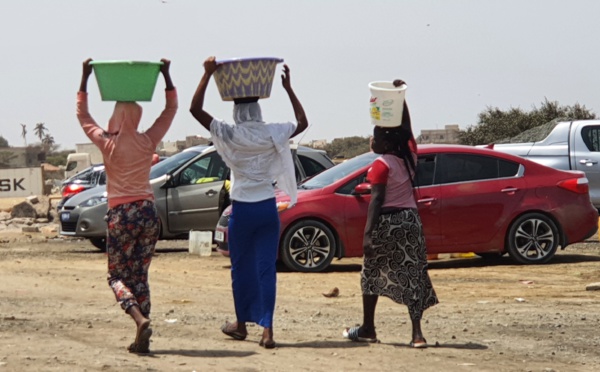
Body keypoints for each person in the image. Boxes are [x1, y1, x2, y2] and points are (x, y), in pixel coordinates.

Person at [189, 56, 308, 348]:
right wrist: (289, 89)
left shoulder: (230, 134)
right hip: (268, 209)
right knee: (267, 268)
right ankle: (267, 331)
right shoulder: (273, 133)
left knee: (240, 268)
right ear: (257, 110)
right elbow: (303, 122)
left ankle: (241, 325)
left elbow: (194, 109)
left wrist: (206, 75)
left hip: (241, 211)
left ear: (238, 113)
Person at [77, 58, 177, 353]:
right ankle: (141, 337)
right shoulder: (148, 141)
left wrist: (84, 77)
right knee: (140, 274)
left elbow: (82, 115)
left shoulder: (106, 141)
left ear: (115, 117)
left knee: (116, 275)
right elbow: (170, 110)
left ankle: (138, 317)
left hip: (121, 215)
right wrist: (166, 76)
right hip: (148, 213)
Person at [343, 79, 437, 348]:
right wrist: (401, 100)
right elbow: (407, 131)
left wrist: (368, 236)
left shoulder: (379, 165)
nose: (372, 139)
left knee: (370, 273)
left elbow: (376, 201)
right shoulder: (409, 159)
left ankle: (368, 328)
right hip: (410, 221)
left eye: (376, 135)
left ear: (385, 140)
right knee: (413, 273)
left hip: (387, 222)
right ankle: (417, 334)